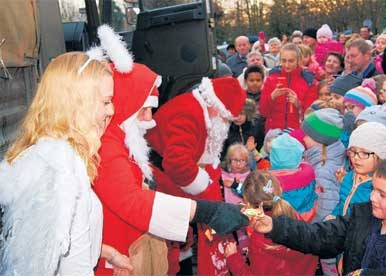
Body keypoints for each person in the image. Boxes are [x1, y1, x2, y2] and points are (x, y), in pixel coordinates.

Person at [0, 51, 128, 274]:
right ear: (77, 104)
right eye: (106, 102)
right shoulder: (65, 174)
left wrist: (108, 254)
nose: (112, 110)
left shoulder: (45, 155)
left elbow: (59, 251)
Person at [252, 155, 386, 275]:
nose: (372, 197)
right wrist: (274, 226)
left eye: (382, 194)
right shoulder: (361, 216)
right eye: (373, 189)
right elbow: (320, 236)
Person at [146, 76, 247, 275]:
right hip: (163, 182)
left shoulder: (201, 112)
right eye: (226, 118)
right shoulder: (188, 114)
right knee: (172, 242)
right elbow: (178, 165)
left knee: (182, 239)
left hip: (172, 183)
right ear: (216, 106)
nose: (225, 124)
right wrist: (206, 186)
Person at [224, 171, 319, 275]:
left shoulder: (259, 239)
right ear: (280, 190)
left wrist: (233, 259)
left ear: (249, 204)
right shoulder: (293, 214)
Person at [260, 43, 318, 132]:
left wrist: (298, 104)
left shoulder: (308, 81)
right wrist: (272, 97)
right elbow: (263, 112)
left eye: (291, 61)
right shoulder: (271, 78)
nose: (287, 65)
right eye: (283, 61)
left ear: (298, 60)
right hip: (273, 132)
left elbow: (311, 115)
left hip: (297, 133)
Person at [301, 108, 346, 222]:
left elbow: (325, 207)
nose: (303, 138)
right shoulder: (336, 153)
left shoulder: (322, 171)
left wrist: (315, 229)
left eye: (307, 135)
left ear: (319, 139)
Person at [269, 133, 317, 221]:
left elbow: (254, 194)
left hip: (279, 223)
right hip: (306, 220)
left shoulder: (267, 181)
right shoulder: (309, 174)